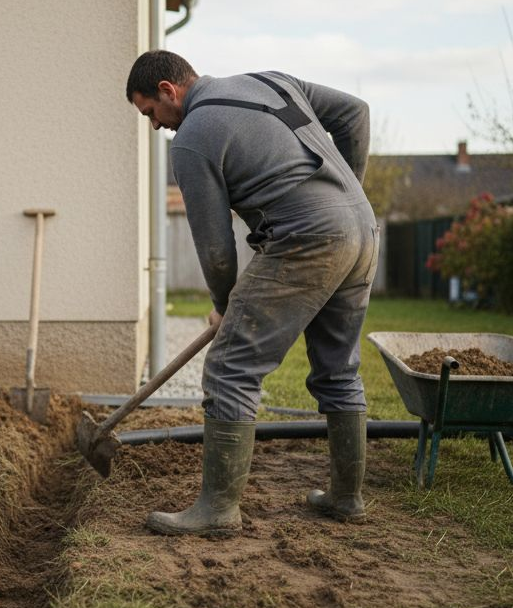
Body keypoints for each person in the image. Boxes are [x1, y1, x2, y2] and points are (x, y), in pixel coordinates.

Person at [126, 50, 379, 536]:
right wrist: (345, 199)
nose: (155, 127)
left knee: (230, 366)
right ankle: (346, 498)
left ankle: (217, 510)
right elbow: (355, 112)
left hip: (306, 238)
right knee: (338, 366)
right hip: (363, 230)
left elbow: (217, 250)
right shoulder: (272, 80)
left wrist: (226, 308)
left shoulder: (193, 139)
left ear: (166, 91)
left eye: (149, 114)